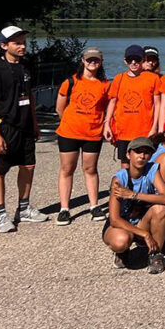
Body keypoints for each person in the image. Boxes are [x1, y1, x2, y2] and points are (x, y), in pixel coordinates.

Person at [0, 26, 47, 232]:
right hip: (3, 128)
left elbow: (30, 97)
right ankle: (1, 215)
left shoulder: (25, 67)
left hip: (25, 127)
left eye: (23, 42)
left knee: (28, 166)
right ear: (4, 45)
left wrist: (34, 124)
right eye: (17, 43)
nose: (22, 46)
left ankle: (24, 208)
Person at [55, 47, 111, 225]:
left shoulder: (105, 84)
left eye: (96, 60)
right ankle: (64, 209)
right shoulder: (71, 82)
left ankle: (94, 205)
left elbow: (108, 106)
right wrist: (71, 122)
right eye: (89, 59)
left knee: (90, 169)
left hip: (93, 133)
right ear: (83, 60)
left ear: (101, 62)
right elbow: (60, 108)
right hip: (69, 132)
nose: (92, 62)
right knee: (67, 169)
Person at [103, 137, 165, 273]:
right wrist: (145, 234)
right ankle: (122, 252)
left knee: (160, 209)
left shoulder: (152, 170)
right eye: (138, 152)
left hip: (140, 220)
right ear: (128, 155)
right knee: (121, 241)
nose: (142, 156)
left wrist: (133, 195)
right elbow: (114, 219)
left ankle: (155, 254)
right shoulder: (119, 179)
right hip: (121, 224)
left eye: (146, 152)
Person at [105, 45, 161, 168]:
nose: (134, 62)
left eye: (137, 59)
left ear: (143, 60)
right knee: (125, 164)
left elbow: (157, 104)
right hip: (123, 130)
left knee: (145, 162)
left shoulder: (153, 78)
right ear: (125, 61)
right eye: (130, 59)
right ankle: (126, 181)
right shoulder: (119, 79)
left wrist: (155, 127)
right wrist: (107, 124)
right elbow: (112, 102)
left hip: (145, 130)